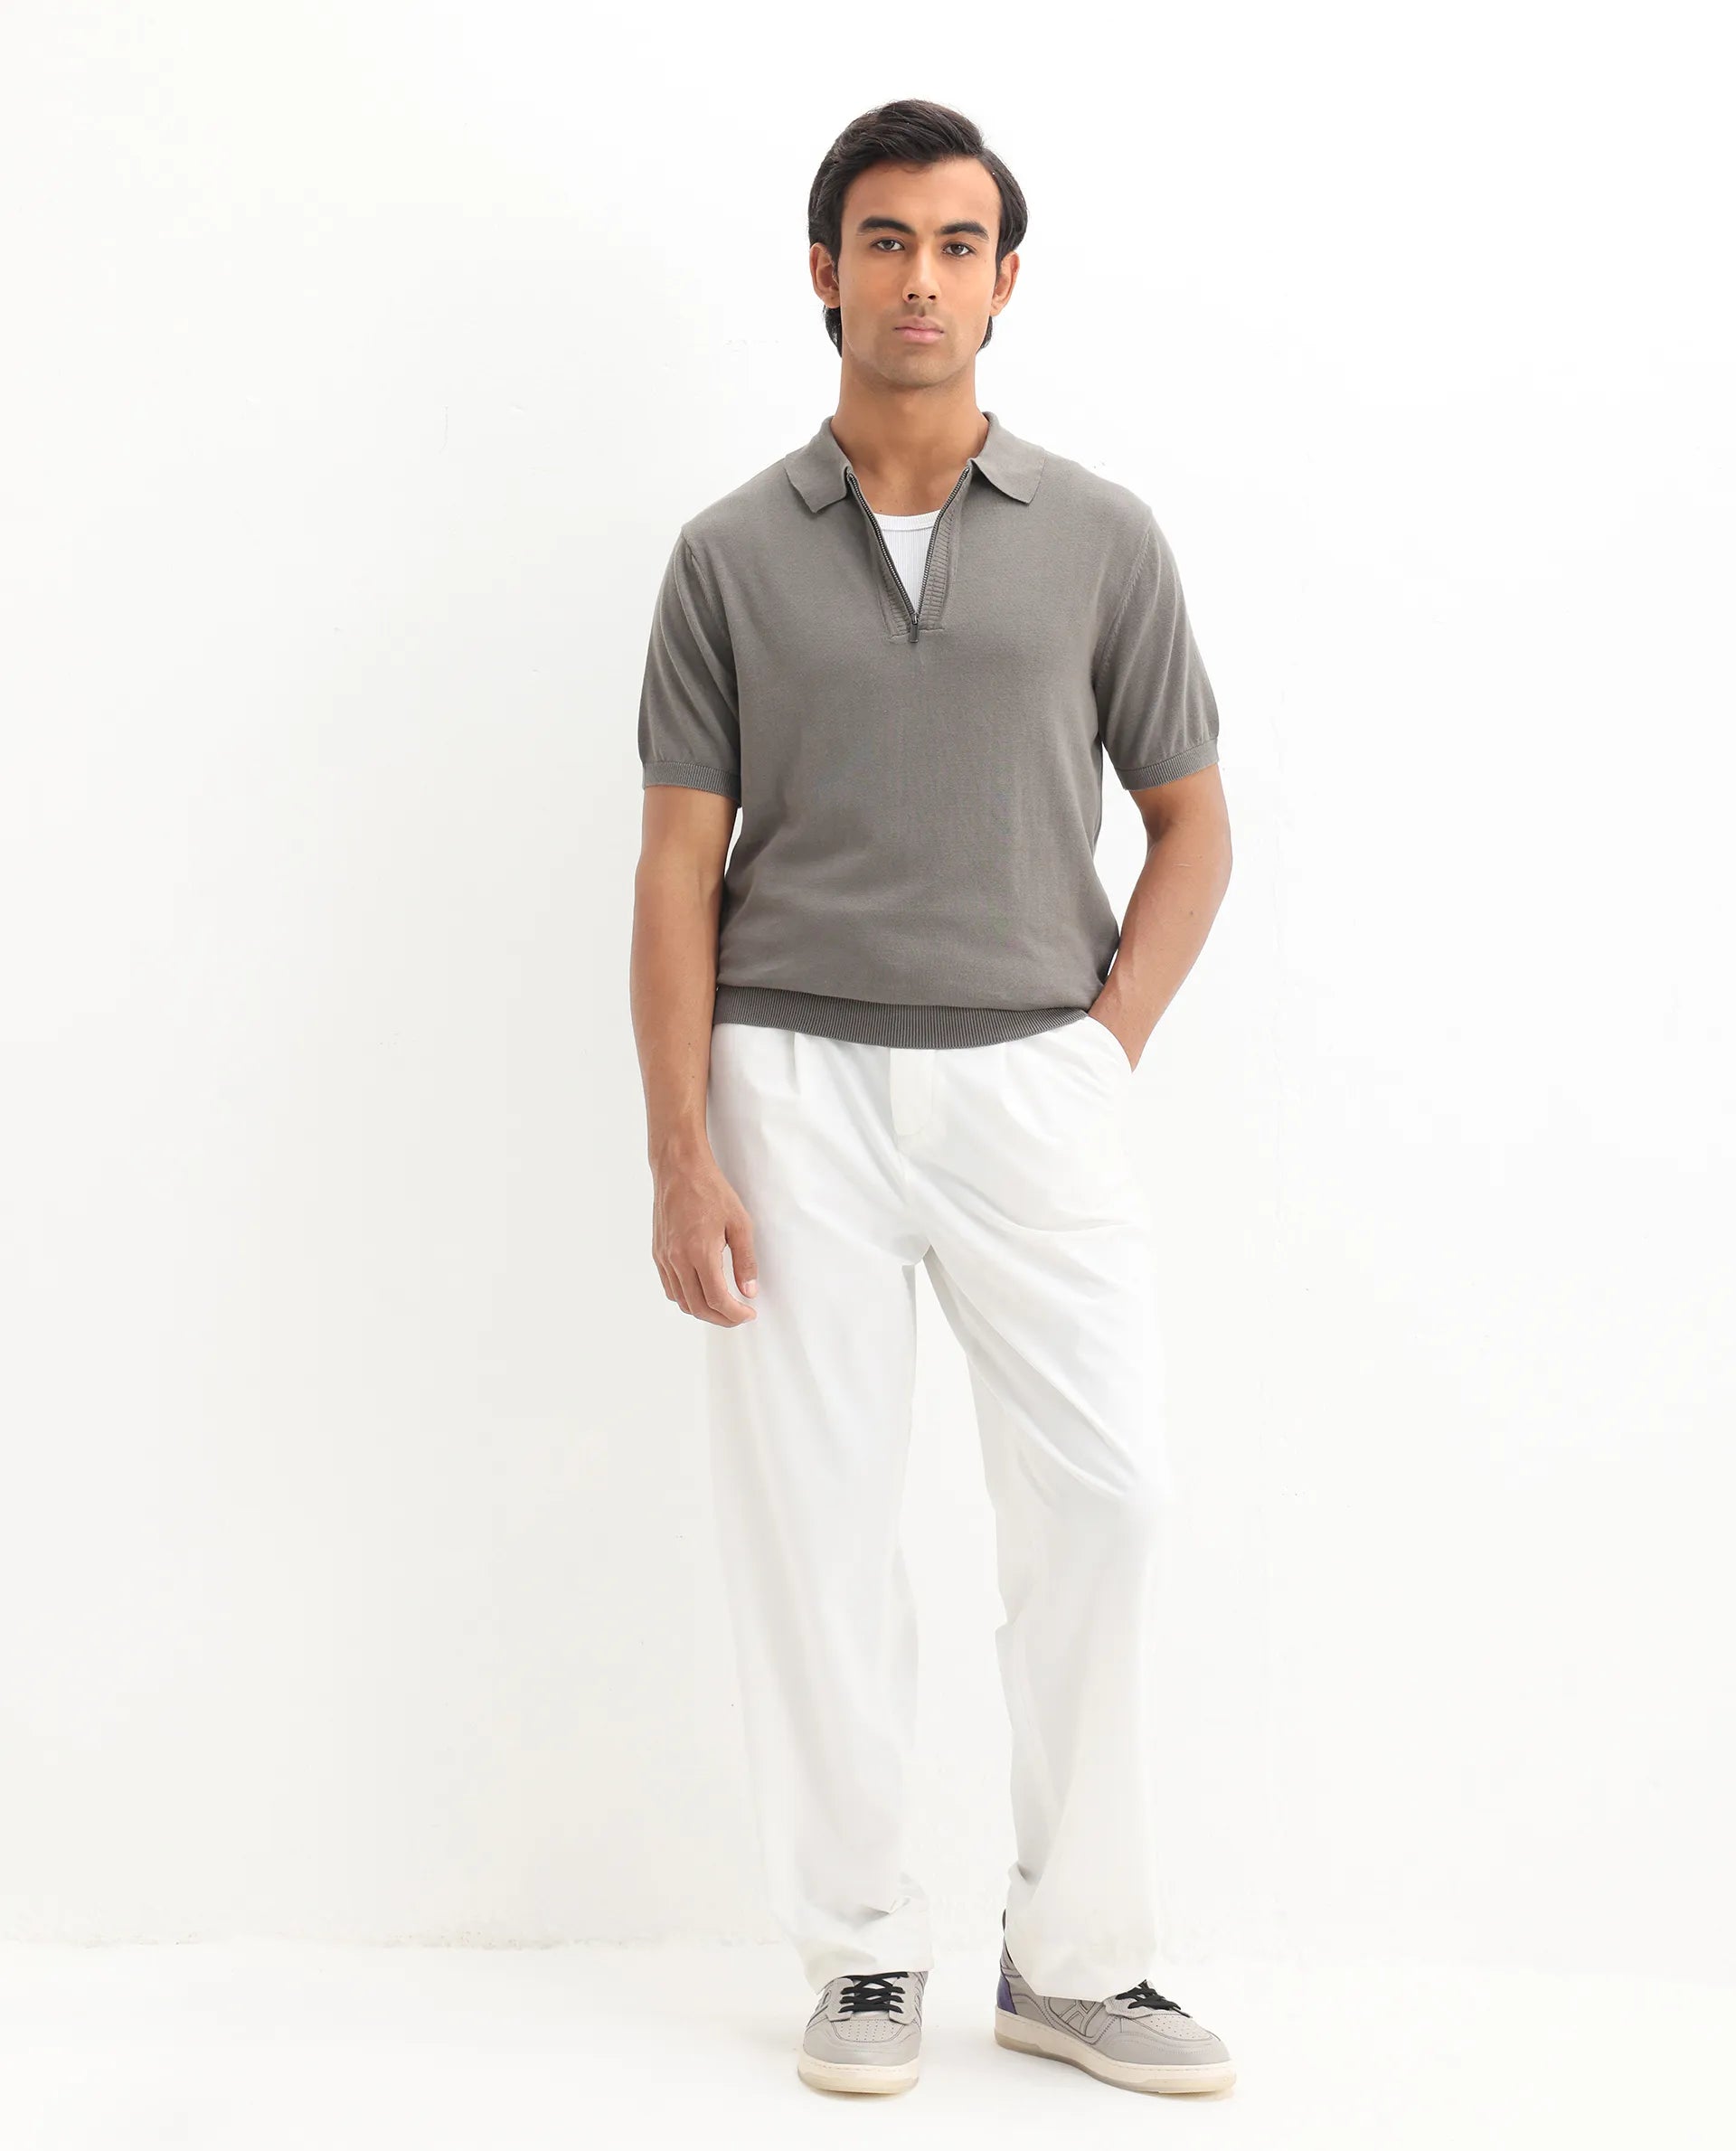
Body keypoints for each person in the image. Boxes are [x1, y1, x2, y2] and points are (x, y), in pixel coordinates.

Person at [628, 98, 1236, 2100]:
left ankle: (1078, 1959)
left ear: (1004, 280)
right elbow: (676, 871)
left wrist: (1099, 1042)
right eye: (883, 241)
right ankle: (863, 1949)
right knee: (817, 1528)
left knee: (1111, 1500)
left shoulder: (1104, 539)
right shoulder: (729, 555)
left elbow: (1192, 824)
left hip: (1028, 1079)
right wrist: (681, 1149)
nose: (919, 279)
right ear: (824, 271)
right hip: (788, 1080)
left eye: (957, 245)